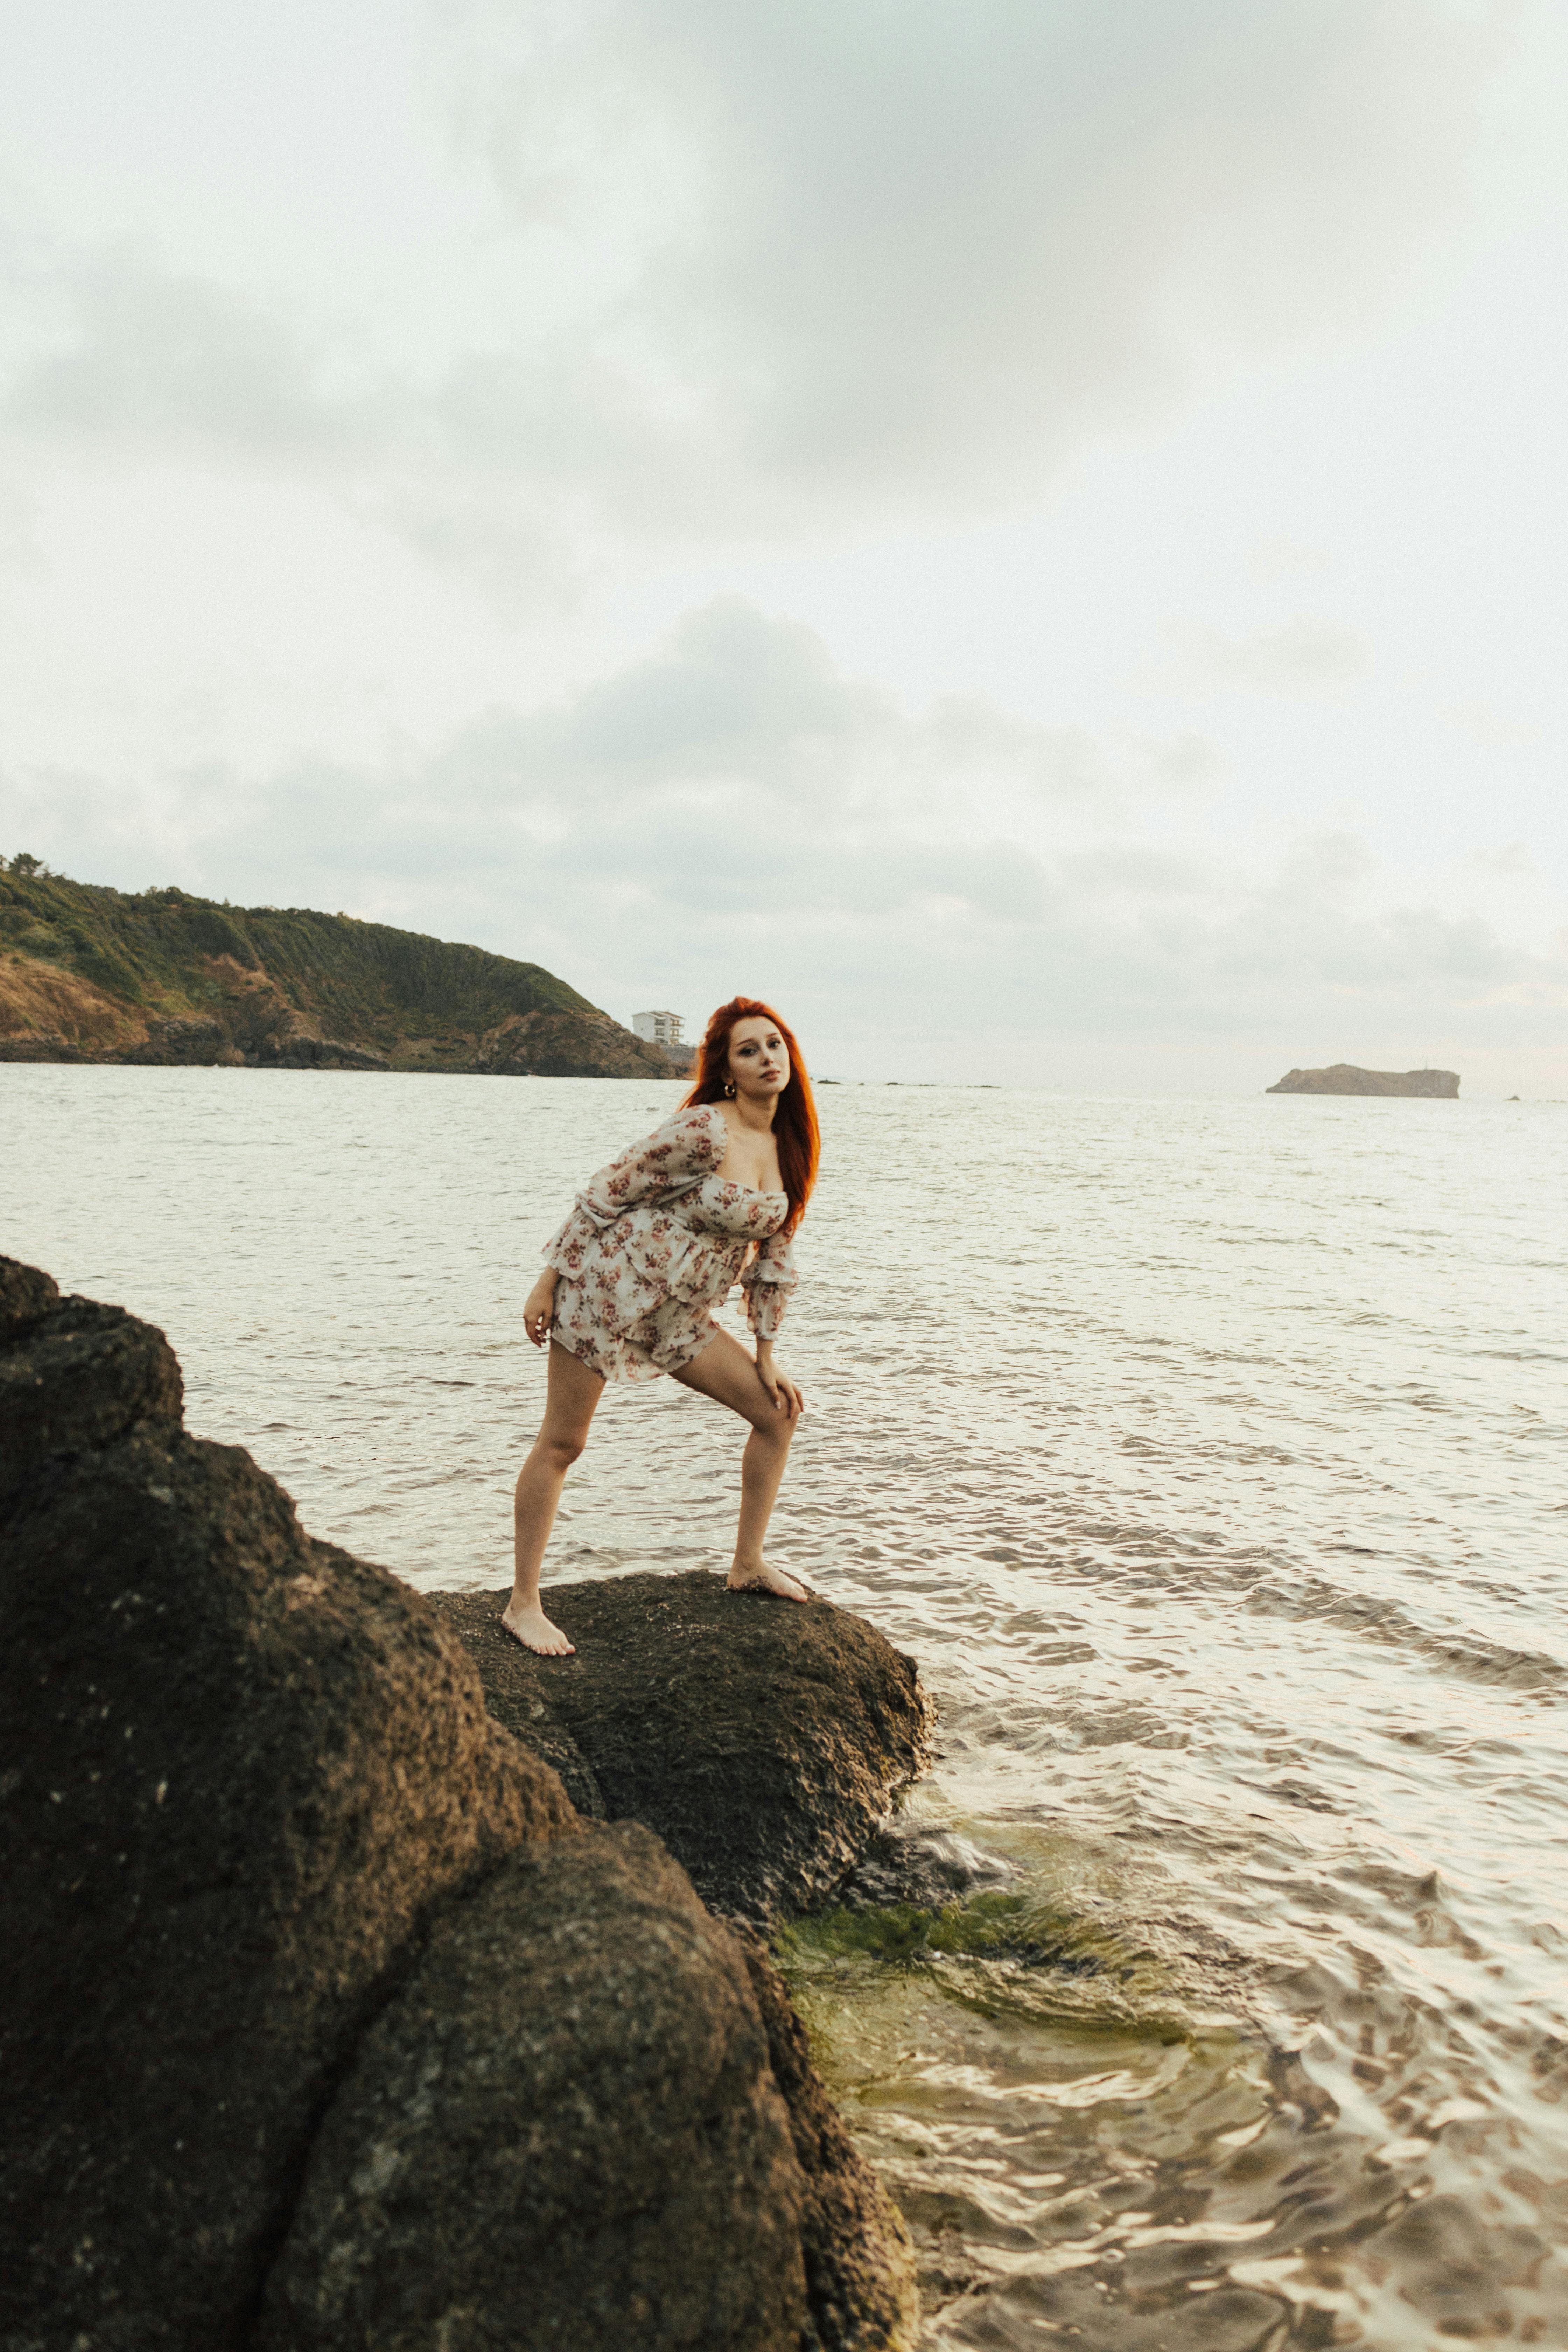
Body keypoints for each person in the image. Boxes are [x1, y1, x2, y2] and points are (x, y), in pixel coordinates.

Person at [502, 997, 820, 1656]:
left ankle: (748, 1563)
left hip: (680, 1315)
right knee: (564, 1443)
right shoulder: (706, 1129)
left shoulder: (789, 1149)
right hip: (609, 1289)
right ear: (728, 1070)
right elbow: (609, 1188)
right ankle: (523, 1604)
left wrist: (767, 1355)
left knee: (777, 1413)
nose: (767, 1058)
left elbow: (775, 1263)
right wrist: (548, 1279)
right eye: (749, 1050)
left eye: (774, 1045)